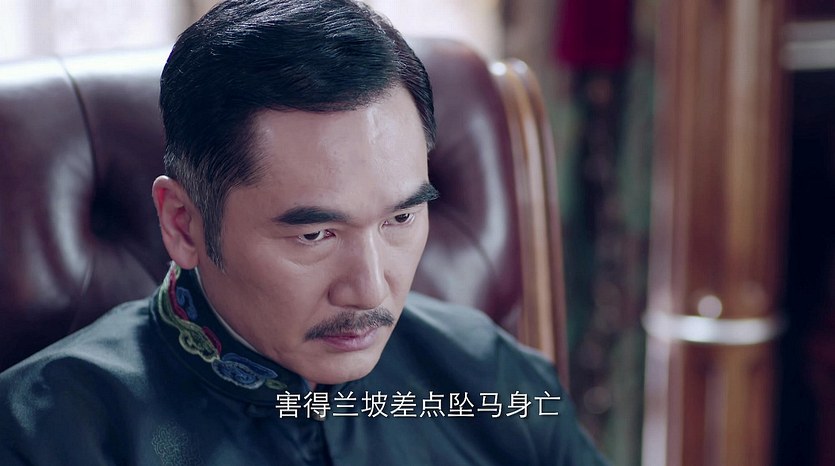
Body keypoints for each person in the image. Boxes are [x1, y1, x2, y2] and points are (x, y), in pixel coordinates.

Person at [0, 0, 608, 464]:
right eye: (314, 234)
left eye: (399, 218)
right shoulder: (43, 433)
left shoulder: (488, 378)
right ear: (183, 223)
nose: (370, 291)